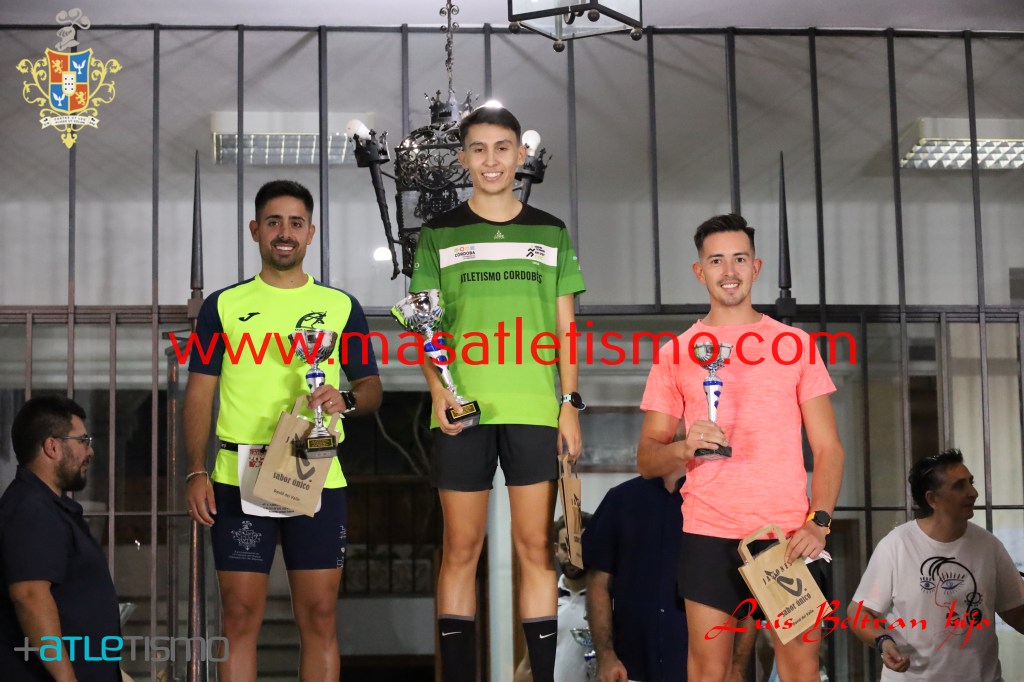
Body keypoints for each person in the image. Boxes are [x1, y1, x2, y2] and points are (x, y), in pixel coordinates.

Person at [409, 103, 587, 682]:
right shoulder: (438, 235)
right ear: (463, 158)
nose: (491, 160)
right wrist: (437, 391)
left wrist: (569, 403)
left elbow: (565, 327)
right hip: (462, 414)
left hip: (534, 410)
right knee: (461, 549)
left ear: (520, 154)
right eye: (479, 149)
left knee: (535, 548)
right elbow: (426, 327)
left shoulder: (550, 231)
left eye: (502, 148)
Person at [183, 179, 383, 681]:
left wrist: (346, 399)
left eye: (296, 223)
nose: (285, 232)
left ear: (311, 233)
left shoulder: (341, 306)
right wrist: (194, 470)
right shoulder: (222, 306)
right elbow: (200, 393)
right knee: (238, 617)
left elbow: (371, 387)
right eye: (274, 222)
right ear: (255, 230)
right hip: (237, 472)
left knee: (319, 616)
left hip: (314, 469)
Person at [636, 213, 844, 682]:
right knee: (709, 672)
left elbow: (829, 447)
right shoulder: (676, 352)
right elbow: (647, 458)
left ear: (756, 267)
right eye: (716, 260)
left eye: (739, 259)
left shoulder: (796, 345)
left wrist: (819, 521)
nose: (729, 271)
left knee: (800, 670)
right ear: (699, 271)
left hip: (786, 535)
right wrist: (685, 448)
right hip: (708, 532)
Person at [849, 449, 1024, 681]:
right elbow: (859, 612)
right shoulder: (897, 544)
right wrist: (883, 640)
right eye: (959, 486)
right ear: (932, 499)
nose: (973, 492)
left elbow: (1017, 612)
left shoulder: (989, 546)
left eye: (971, 482)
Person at [0, 396, 120, 681]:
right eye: (83, 440)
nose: (90, 451)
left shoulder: (48, 507)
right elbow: (30, 596)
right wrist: (66, 678)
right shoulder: (31, 509)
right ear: (52, 447)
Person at [583, 473, 688, 682]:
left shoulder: (713, 499)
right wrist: (605, 655)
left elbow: (743, 587)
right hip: (629, 669)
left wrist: (737, 665)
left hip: (701, 669)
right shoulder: (621, 499)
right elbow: (598, 584)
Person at [514, 513, 594, 682]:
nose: (572, 557)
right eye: (566, 548)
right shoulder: (545, 601)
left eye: (579, 548)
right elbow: (528, 667)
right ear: (556, 550)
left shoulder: (607, 601)